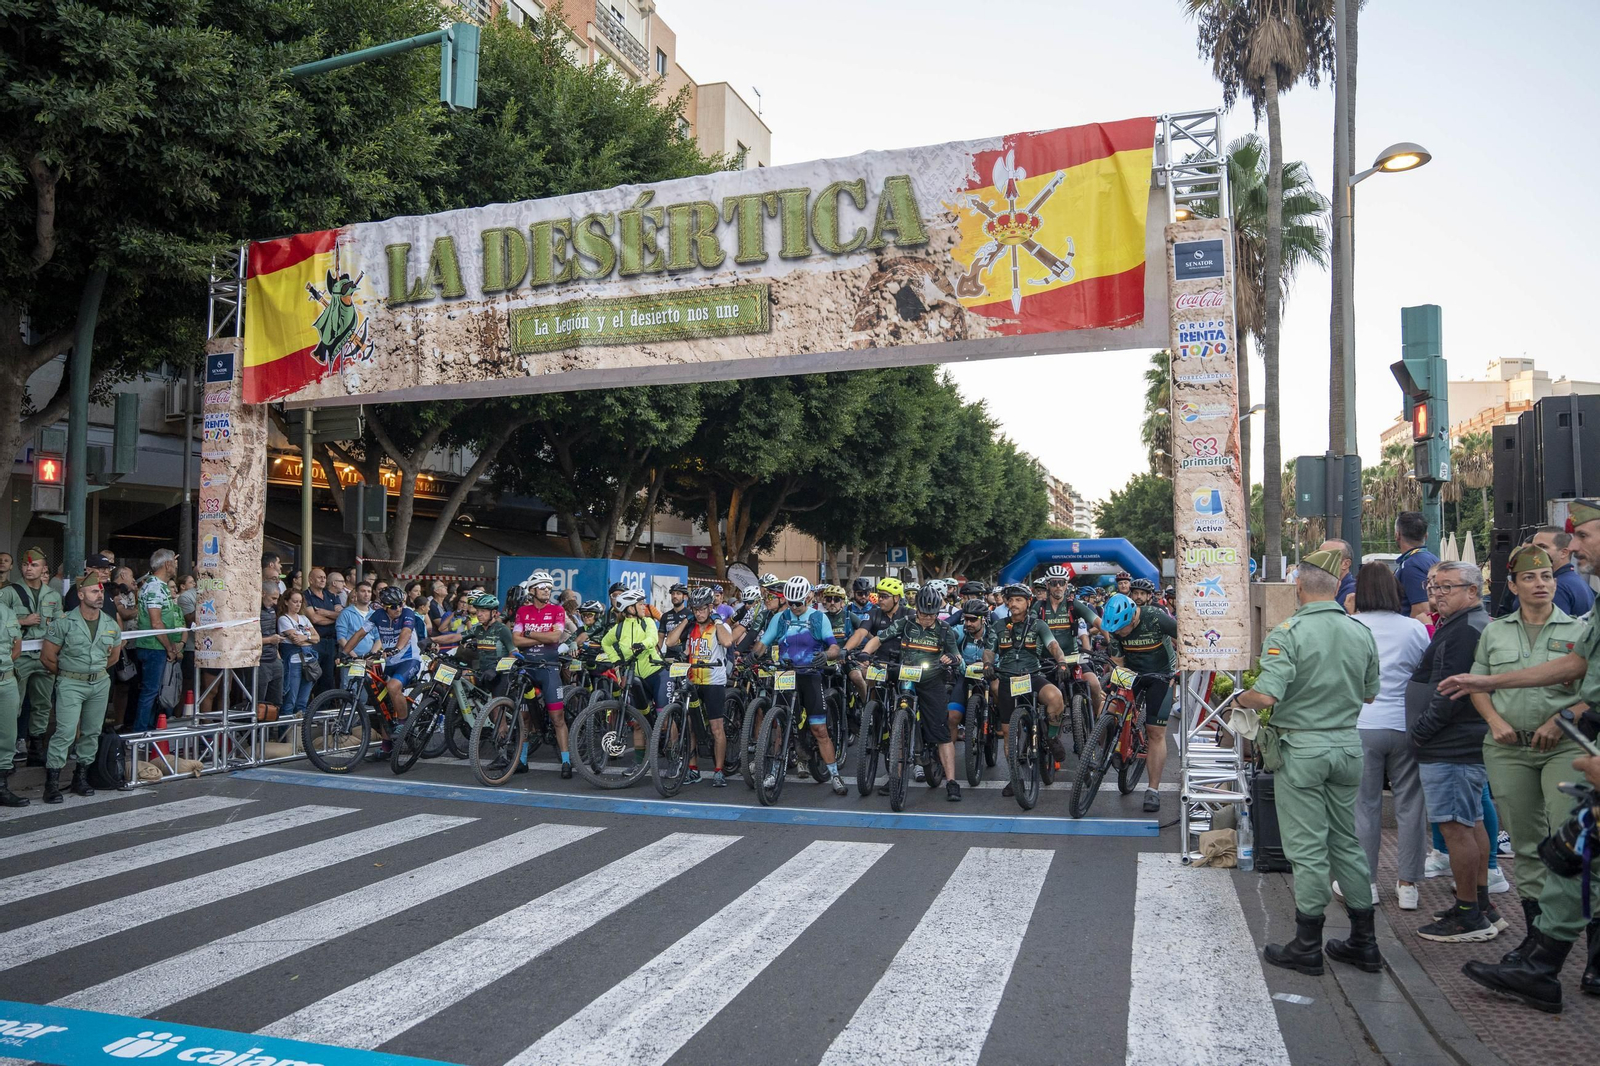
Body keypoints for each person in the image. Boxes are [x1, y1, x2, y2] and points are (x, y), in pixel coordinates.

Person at [1440, 497, 1600, 1010]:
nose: (1570, 552)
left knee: (1574, 850)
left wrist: (1564, 718)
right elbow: (1572, 670)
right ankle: (1538, 954)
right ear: (1512, 584)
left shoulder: (1577, 623)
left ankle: (1558, 961)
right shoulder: (1498, 631)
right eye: (1532, 576)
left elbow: (1578, 679)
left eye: (1582, 539)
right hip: (1514, 748)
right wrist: (1490, 699)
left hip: (1568, 750)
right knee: (1548, 850)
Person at [1235, 548, 1382, 977]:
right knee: (1346, 843)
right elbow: (1370, 693)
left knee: (1307, 850)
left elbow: (1265, 696)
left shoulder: (1289, 633)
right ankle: (1364, 941)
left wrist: (1239, 698)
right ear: (1338, 587)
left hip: (1302, 750)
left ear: (1297, 585)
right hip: (1348, 747)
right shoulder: (1360, 632)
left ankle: (1307, 944)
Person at [1409, 560, 1498, 943]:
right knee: (1470, 821)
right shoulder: (1465, 625)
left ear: (1472, 591)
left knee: (1457, 827)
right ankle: (1479, 904)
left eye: (1447, 587)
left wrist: (1422, 732)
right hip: (1458, 741)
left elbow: (1452, 691)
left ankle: (1468, 915)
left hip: (1451, 743)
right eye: (1434, 586)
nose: (1438, 594)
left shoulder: (1466, 630)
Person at [1346, 562, 1431, 911]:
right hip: (1405, 724)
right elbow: (1422, 673)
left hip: (1362, 724)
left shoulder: (1350, 626)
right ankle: (1408, 883)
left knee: (1364, 806)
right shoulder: (1414, 629)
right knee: (1411, 805)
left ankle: (1365, 883)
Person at [859, 584, 963, 800]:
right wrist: (864, 654)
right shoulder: (905, 623)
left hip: (932, 679)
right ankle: (896, 776)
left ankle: (952, 782)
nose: (926, 619)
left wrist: (951, 659)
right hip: (906, 675)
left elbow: (957, 656)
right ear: (917, 610)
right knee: (898, 719)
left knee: (941, 731)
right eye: (923, 614)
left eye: (931, 615)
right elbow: (879, 638)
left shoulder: (944, 630)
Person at [753, 577, 845, 794]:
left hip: (810, 674)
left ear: (809, 597)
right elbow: (763, 642)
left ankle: (835, 775)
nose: (794, 607)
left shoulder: (818, 618)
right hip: (785, 674)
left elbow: (834, 647)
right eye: (790, 603)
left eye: (798, 603)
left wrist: (825, 655)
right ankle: (774, 770)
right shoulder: (780, 618)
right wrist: (752, 656)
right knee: (780, 727)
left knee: (819, 729)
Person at [39, 572, 124, 803]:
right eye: (94, 591)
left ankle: (81, 777)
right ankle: (52, 784)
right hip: (70, 683)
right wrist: (69, 674)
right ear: (80, 594)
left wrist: (92, 672)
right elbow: (47, 657)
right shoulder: (64, 623)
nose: (99, 595)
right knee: (65, 732)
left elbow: (114, 657)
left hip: (98, 683)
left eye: (101, 591)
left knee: (92, 732)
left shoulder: (110, 624)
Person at [983, 583, 1071, 800]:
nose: (1013, 603)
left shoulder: (1039, 625)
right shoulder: (998, 626)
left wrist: (1061, 662)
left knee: (1055, 698)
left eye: (1019, 600)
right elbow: (988, 651)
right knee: (1009, 737)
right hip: (1007, 680)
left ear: (1028, 602)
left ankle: (1051, 738)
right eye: (1010, 600)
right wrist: (987, 665)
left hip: (1032, 677)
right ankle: (1016, 777)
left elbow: (1053, 645)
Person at [1103, 590, 1179, 813]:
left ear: (1133, 618)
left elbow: (1185, 637)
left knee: (1155, 732)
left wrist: (1181, 668)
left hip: (1161, 675)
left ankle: (1153, 790)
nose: (1119, 633)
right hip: (1132, 672)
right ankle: (1100, 755)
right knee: (1111, 706)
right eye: (1115, 631)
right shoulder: (1116, 630)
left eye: (1122, 629)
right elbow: (1117, 662)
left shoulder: (1155, 617)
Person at [663, 587, 737, 786]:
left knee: (716, 728)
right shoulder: (690, 624)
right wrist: (686, 620)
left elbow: (728, 641)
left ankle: (719, 771)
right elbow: (669, 641)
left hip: (714, 681)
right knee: (690, 726)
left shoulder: (720, 626)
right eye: (695, 609)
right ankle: (693, 769)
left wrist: (718, 620)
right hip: (693, 681)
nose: (699, 613)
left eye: (703, 609)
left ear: (710, 607)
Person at [1, 547, 64, 765]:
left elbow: (59, 627)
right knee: (11, 707)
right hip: (18, 658)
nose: (29, 568)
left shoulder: (53, 595)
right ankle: (7, 753)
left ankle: (36, 749)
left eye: (34, 565)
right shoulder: (10, 592)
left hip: (44, 656)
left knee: (43, 704)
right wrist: (22, 622)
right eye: (26, 565)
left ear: (44, 568)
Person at [1036, 565, 1104, 753]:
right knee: (1050, 702)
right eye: (1054, 583)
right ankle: (1049, 739)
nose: (1058, 587)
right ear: (1048, 585)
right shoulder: (1039, 607)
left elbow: (1098, 622)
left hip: (1074, 658)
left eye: (1062, 583)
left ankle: (1096, 723)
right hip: (1047, 661)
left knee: (1095, 685)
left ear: (1067, 585)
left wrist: (1110, 640)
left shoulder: (1074, 605)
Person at [351, 585, 424, 759]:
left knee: (392, 687)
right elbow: (359, 634)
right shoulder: (378, 616)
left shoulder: (407, 613)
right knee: (384, 704)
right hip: (391, 663)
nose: (398, 608)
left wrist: (396, 649)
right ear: (384, 606)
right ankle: (386, 748)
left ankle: (403, 724)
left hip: (409, 660)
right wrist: (344, 652)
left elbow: (406, 633)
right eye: (393, 606)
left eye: (400, 604)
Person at [511, 572, 571, 774]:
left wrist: (529, 634)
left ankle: (566, 762)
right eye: (543, 587)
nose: (547, 590)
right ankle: (523, 760)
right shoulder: (522, 611)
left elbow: (556, 636)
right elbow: (516, 641)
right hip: (527, 668)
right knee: (524, 717)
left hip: (549, 668)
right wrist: (542, 639)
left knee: (557, 718)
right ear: (532, 590)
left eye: (549, 587)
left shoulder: (557, 610)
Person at [129, 550, 183, 733]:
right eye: (173, 563)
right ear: (167, 565)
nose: (175, 567)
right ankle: (140, 733)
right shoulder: (154, 587)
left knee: (153, 692)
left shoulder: (155, 585)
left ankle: (148, 730)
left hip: (154, 646)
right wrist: (169, 647)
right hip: (153, 647)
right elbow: (156, 621)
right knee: (150, 692)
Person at [1522, 526, 1596, 619]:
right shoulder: (1575, 581)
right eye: (1533, 547)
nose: (1534, 552)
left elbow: (1553, 630)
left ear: (1564, 553)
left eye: (1542, 547)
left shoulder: (1557, 587)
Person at [276, 589, 318, 720]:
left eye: (300, 602)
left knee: (303, 702)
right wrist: (309, 639)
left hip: (308, 663)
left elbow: (317, 638)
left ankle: (300, 735)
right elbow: (296, 640)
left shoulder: (304, 618)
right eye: (294, 601)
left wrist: (305, 638)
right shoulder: (283, 619)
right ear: (287, 602)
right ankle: (286, 736)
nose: (298, 605)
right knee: (290, 701)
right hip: (293, 662)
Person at [0, 592, 25, 805]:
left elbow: (17, 645)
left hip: (6, 680)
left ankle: (1, 787)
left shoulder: (6, 612)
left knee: (7, 736)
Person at [1394, 511, 1440, 621]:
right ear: (1426, 536)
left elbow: (1421, 610)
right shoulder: (1433, 560)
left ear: (1398, 535)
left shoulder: (1411, 566)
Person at [301, 567, 340, 693]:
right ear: (310, 580)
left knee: (328, 678)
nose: (323, 579)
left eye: (324, 577)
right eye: (320, 577)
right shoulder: (305, 596)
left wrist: (325, 612)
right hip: (315, 642)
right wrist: (334, 617)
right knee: (313, 676)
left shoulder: (331, 595)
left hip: (331, 642)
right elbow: (314, 619)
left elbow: (341, 615)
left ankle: (325, 708)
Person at [256, 580, 284, 725]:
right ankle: (254, 737)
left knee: (276, 701)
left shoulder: (272, 610)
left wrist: (278, 656)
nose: (275, 602)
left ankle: (269, 733)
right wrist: (269, 641)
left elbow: (272, 631)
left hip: (274, 658)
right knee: (259, 702)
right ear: (262, 594)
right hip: (260, 661)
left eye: (277, 598)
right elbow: (246, 639)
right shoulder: (253, 611)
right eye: (273, 598)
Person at [336, 581, 377, 660]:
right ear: (356, 593)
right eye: (363, 591)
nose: (366, 594)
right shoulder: (345, 613)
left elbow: (378, 638)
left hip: (371, 660)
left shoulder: (375, 614)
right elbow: (341, 638)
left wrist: (372, 655)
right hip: (350, 660)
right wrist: (356, 658)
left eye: (369, 591)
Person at [1316, 538, 1356, 613]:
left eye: (1327, 557)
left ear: (1345, 564)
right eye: (1318, 556)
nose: (1319, 562)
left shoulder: (1352, 592)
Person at [659, 583, 692, 654]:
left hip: (685, 657)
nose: (675, 596)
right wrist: (655, 654)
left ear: (685, 597)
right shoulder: (665, 616)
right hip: (669, 657)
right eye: (673, 594)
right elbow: (660, 638)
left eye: (678, 593)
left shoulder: (690, 615)